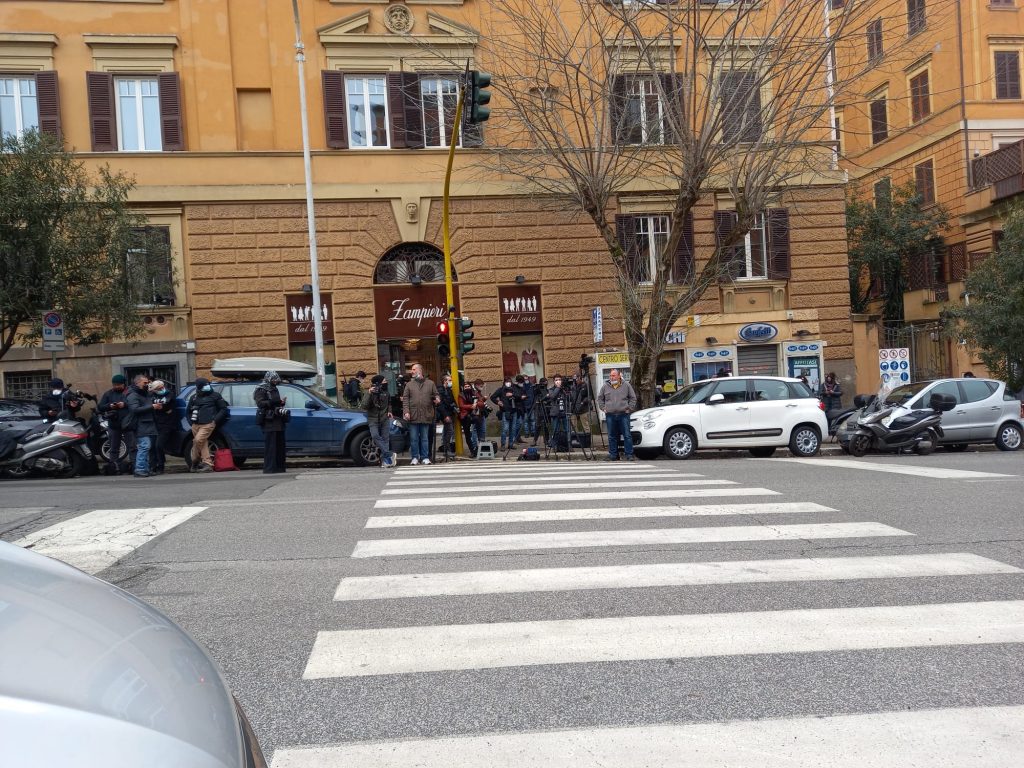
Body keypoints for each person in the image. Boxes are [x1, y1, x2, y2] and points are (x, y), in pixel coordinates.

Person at [188, 377, 229, 473]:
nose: (208, 386)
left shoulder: (215, 395)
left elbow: (223, 409)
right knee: (202, 443)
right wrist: (191, 422)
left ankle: (195, 462)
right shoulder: (194, 397)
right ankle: (206, 464)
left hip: (208, 424)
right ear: (199, 387)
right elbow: (188, 411)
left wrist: (214, 421)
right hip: (196, 424)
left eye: (208, 384)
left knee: (197, 440)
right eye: (205, 385)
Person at [402, 363, 440, 465]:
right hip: (413, 415)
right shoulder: (409, 384)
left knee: (424, 438)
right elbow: (405, 399)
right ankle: (415, 457)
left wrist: (437, 399)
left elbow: (436, 395)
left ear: (420, 371)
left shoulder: (430, 383)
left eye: (414, 369)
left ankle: (425, 457)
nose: (412, 371)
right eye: (412, 370)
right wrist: (406, 412)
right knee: (414, 438)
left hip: (426, 414)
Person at [597, 368, 637, 461]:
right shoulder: (605, 386)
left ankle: (629, 454)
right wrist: (603, 408)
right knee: (612, 436)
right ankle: (613, 455)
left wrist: (629, 408)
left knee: (627, 435)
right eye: (610, 375)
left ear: (619, 376)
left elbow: (633, 398)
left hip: (623, 414)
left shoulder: (626, 385)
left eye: (613, 375)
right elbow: (600, 399)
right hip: (610, 415)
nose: (611, 377)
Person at [126, 374, 160, 478]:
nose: (147, 384)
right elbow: (134, 409)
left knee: (147, 447)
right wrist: (152, 406)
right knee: (144, 446)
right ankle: (140, 469)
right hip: (140, 425)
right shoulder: (133, 395)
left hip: (148, 424)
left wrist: (154, 406)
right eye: (145, 383)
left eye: (148, 382)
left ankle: (144, 468)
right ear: (137, 383)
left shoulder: (145, 394)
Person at [98, 374, 133, 475]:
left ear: (124, 384)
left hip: (128, 424)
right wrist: (110, 406)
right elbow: (100, 407)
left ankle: (134, 466)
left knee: (132, 446)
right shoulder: (108, 394)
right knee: (113, 447)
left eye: (119, 385)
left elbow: (135, 403)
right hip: (114, 424)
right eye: (115, 385)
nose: (116, 386)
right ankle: (114, 468)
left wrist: (124, 404)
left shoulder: (129, 392)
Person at [254, 370, 287, 474]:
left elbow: (275, 403)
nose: (275, 381)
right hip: (269, 421)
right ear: (268, 378)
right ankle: (270, 468)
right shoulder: (261, 389)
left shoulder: (274, 388)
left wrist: (281, 403)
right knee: (271, 446)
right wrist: (275, 402)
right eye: (273, 379)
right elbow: (260, 403)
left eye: (276, 379)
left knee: (280, 445)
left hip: (278, 419)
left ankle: (279, 467)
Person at [362, 374, 395, 467]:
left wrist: (389, 411)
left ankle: (387, 461)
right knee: (375, 435)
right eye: (384, 381)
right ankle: (389, 454)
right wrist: (369, 393)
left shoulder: (386, 392)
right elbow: (364, 406)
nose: (386, 382)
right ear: (379, 383)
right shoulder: (370, 392)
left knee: (385, 439)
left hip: (384, 418)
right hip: (373, 419)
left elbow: (389, 403)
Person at [148, 380, 177, 475]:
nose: (160, 390)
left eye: (161, 388)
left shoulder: (170, 394)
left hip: (166, 424)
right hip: (155, 423)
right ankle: (154, 466)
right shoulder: (152, 395)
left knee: (158, 445)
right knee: (153, 446)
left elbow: (169, 406)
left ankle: (161, 466)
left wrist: (162, 408)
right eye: (157, 389)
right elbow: (151, 406)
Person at [491, 376, 519, 451]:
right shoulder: (501, 390)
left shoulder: (514, 389)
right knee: (505, 429)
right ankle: (503, 444)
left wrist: (512, 395)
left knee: (513, 429)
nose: (508, 383)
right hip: (505, 411)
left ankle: (511, 444)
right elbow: (492, 397)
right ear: (504, 383)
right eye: (507, 382)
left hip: (514, 411)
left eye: (509, 381)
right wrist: (498, 402)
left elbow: (519, 396)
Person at [436, 373, 459, 461]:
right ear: (445, 381)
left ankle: (446, 449)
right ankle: (446, 449)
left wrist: (455, 408)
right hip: (445, 414)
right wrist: (445, 415)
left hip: (449, 413)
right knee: (449, 430)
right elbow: (441, 403)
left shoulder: (448, 389)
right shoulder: (440, 390)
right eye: (449, 380)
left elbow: (452, 400)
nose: (451, 382)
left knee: (448, 431)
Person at [458, 382, 480, 456]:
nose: (467, 387)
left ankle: (477, 447)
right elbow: (461, 405)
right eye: (465, 386)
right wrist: (471, 406)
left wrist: (477, 404)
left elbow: (480, 402)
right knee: (467, 434)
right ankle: (472, 451)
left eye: (468, 386)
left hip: (473, 415)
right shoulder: (461, 395)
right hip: (465, 416)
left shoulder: (474, 393)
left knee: (477, 429)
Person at [472, 378, 489, 445]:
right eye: (481, 386)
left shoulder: (479, 393)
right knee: (476, 430)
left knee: (483, 430)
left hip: (481, 413)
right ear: (476, 385)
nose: (482, 387)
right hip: (476, 414)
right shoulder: (474, 392)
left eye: (482, 386)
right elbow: (476, 402)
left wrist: (484, 399)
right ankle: (475, 445)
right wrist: (483, 399)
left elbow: (480, 402)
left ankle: (481, 445)